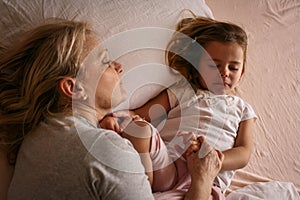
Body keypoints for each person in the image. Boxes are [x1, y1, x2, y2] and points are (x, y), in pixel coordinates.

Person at [0, 19, 224, 200]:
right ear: (74, 88)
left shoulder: (34, 139)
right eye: (105, 61)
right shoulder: (107, 151)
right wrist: (202, 179)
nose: (119, 66)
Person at [100, 15, 257, 194]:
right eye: (214, 65)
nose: (224, 73)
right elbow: (142, 114)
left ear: (242, 72)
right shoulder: (182, 91)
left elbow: (244, 152)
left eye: (233, 68)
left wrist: (216, 158)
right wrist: (116, 119)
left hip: (208, 179)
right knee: (140, 130)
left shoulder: (242, 109)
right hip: (168, 167)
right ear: (196, 65)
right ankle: (143, 191)